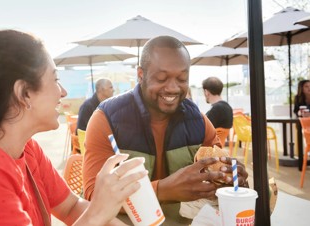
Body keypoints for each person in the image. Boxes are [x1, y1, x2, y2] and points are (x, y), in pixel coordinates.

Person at [0, 29, 148, 226]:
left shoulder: (27, 150)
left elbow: (72, 208)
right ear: (24, 93)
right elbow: (89, 215)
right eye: (55, 79)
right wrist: (98, 212)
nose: (63, 92)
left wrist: (102, 210)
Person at [82, 36, 249, 222]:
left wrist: (231, 179)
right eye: (161, 78)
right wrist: (163, 190)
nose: (172, 88)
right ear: (140, 75)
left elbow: (218, 175)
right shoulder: (106, 118)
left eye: (182, 78)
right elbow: (92, 197)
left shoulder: (199, 121)